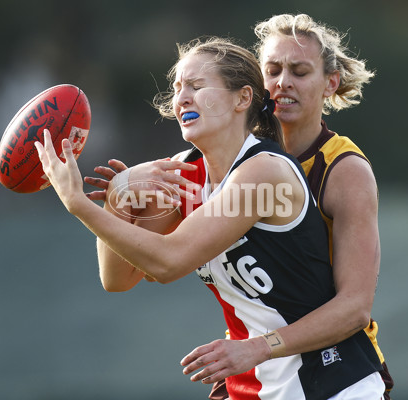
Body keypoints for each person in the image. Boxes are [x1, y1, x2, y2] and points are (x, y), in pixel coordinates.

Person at [37, 37, 385, 399]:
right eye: (178, 88)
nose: (183, 98)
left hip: (329, 382)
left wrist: (78, 204)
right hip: (255, 383)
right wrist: (117, 200)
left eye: (198, 86)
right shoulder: (183, 172)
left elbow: (168, 261)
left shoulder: (265, 171)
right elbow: (118, 277)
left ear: (243, 98)